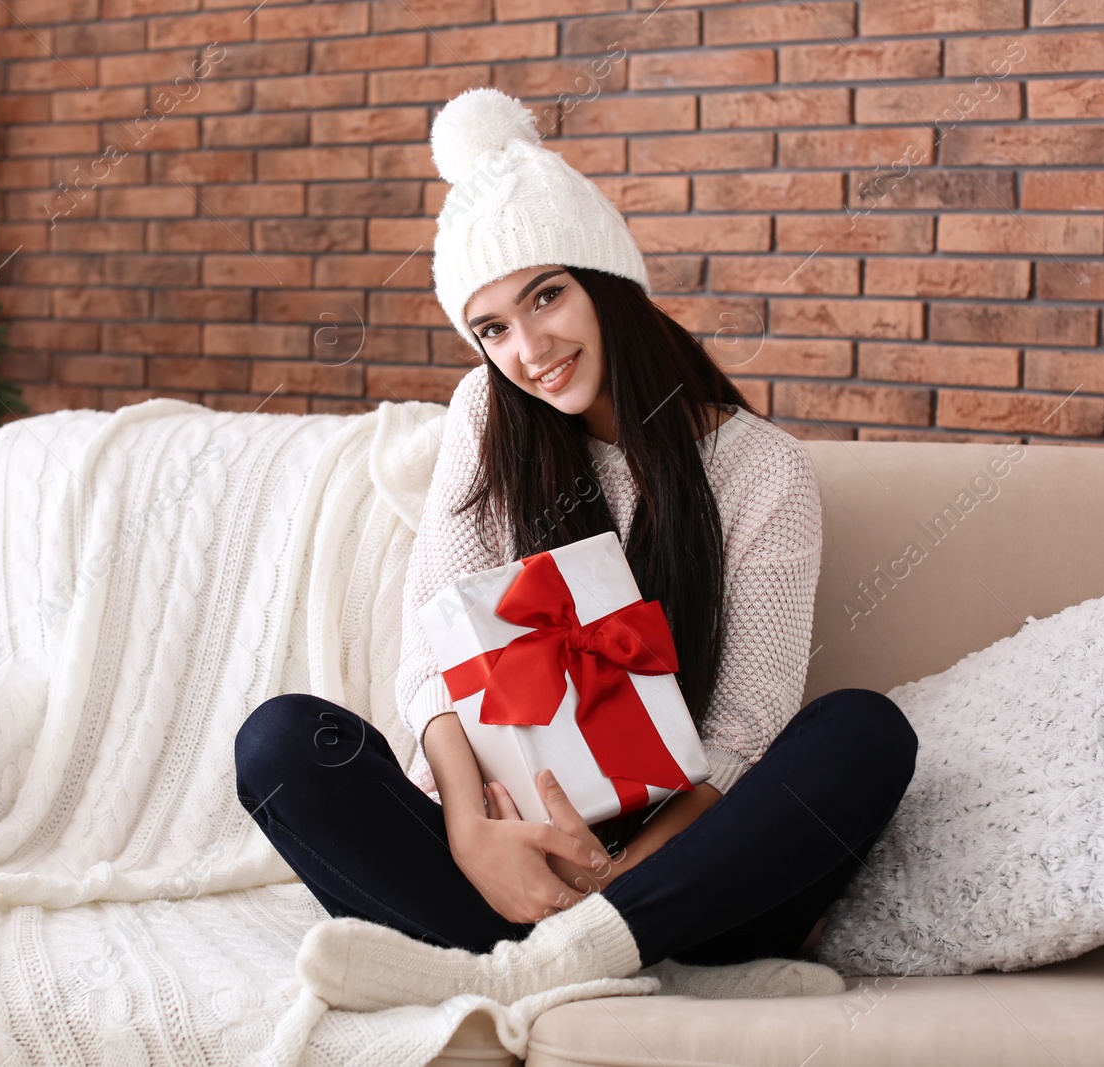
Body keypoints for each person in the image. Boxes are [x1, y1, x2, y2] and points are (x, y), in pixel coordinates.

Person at [234, 87, 918, 1011]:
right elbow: (434, 654)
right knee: (281, 742)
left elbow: (743, 739)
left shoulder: (763, 472)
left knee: (863, 732)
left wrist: (615, 880)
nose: (530, 348)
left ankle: (532, 969)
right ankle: (590, 962)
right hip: (509, 866)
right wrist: (476, 836)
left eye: (547, 295)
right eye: (493, 329)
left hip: (693, 871)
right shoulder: (489, 415)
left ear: (608, 283)